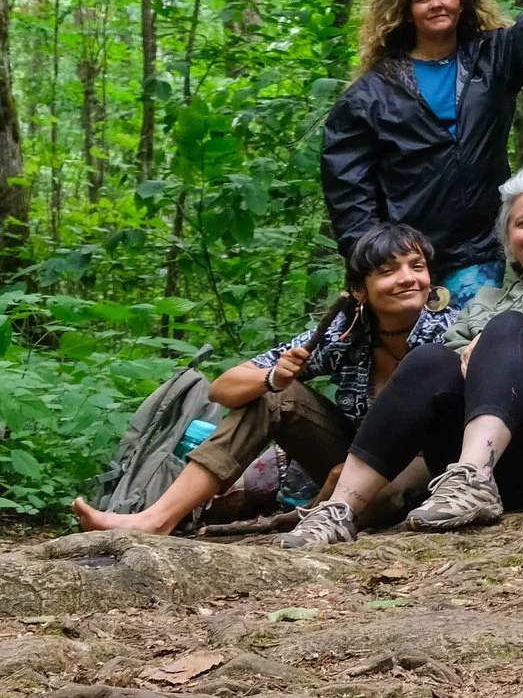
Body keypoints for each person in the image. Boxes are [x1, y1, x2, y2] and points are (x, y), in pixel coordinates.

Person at [281, 171, 523, 547]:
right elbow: (450, 355)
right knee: (429, 359)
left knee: (509, 327)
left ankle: (474, 479)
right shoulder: (487, 298)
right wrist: (488, 348)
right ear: (507, 237)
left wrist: (497, 340)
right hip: (511, 466)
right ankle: (340, 510)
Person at [74, 225, 454, 534]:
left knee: (367, 496)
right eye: (388, 271)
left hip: (427, 463)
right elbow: (223, 388)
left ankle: (324, 511)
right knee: (272, 396)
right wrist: (272, 377)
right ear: (358, 290)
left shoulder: (449, 331)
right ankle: (157, 519)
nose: (408, 279)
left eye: (416, 266)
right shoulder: (343, 333)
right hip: (356, 455)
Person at [322, 0, 523, 305]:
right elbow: (349, 190)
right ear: (406, 11)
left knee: (478, 337)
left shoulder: (492, 59)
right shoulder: (370, 95)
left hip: (483, 251)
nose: (436, 4)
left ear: (461, 1)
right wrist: (373, 260)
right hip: (409, 262)